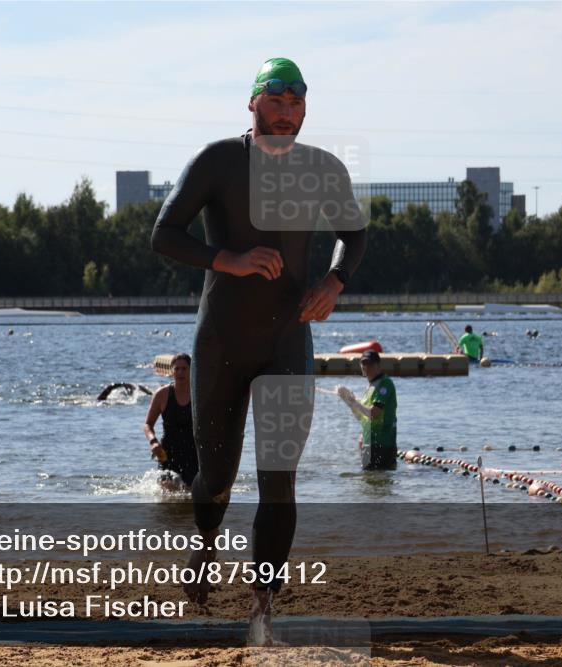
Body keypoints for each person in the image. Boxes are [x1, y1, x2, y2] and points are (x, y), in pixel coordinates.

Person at [149, 57, 366, 643]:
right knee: (215, 480)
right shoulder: (218, 161)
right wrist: (230, 259)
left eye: (297, 102)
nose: (287, 111)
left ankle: (262, 606)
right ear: (252, 103)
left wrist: (334, 282)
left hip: (286, 341)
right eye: (276, 99)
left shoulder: (322, 169)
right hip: (220, 342)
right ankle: (204, 546)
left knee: (278, 480)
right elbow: (164, 233)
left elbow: (356, 234)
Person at [143, 354, 198, 491]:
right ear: (171, 371)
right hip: (168, 452)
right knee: (166, 493)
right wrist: (153, 442)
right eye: (177, 369)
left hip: (193, 452)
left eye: (184, 369)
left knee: (189, 494)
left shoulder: (198, 393)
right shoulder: (162, 394)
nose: (180, 372)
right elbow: (147, 425)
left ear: (191, 370)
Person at [337, 350, 398, 470]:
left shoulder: (385, 384)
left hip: (382, 445)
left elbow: (373, 413)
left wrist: (354, 402)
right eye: (363, 364)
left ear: (378, 365)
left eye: (370, 364)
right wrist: (347, 400)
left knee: (379, 484)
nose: (366, 367)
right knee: (367, 485)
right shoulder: (369, 387)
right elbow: (361, 417)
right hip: (368, 445)